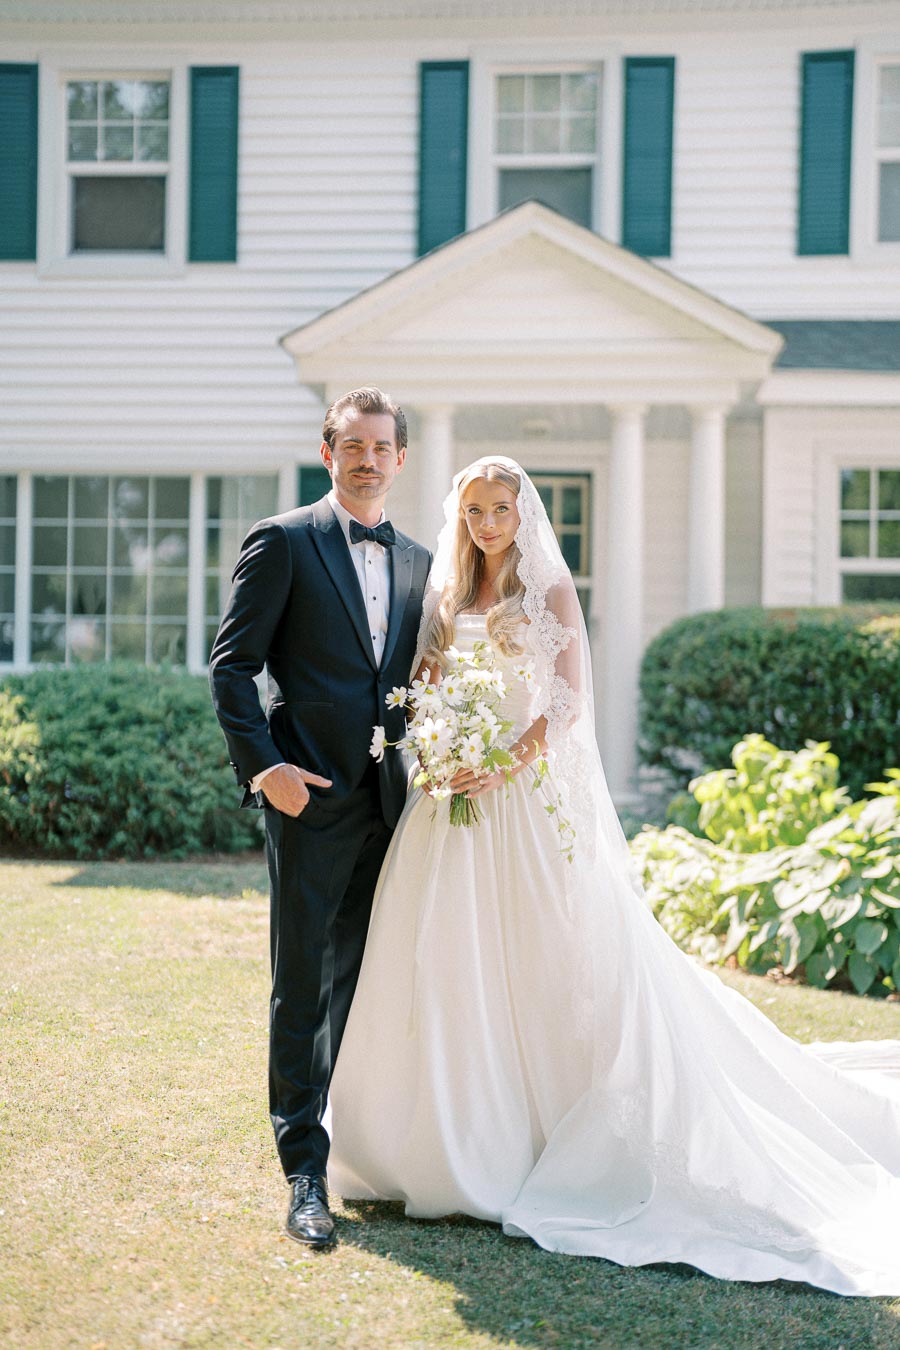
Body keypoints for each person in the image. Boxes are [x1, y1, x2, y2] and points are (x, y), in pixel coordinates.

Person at [327, 455, 900, 1296]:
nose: (487, 523)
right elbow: (423, 688)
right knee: (444, 963)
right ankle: (438, 1142)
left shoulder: (548, 595)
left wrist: (501, 764)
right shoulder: (447, 599)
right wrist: (440, 750)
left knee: (544, 960)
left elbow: (566, 704)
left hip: (523, 803)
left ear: (523, 515)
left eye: (500, 509)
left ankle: (537, 1137)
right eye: (475, 510)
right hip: (449, 805)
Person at [209, 387, 431, 1247]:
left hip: (394, 806)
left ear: (401, 458)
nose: (368, 458)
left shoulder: (417, 561)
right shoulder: (285, 541)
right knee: (301, 984)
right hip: (309, 801)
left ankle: (364, 1147)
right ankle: (303, 1173)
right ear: (328, 450)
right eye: (353, 445)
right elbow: (233, 669)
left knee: (369, 983)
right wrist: (268, 770)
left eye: (382, 446)